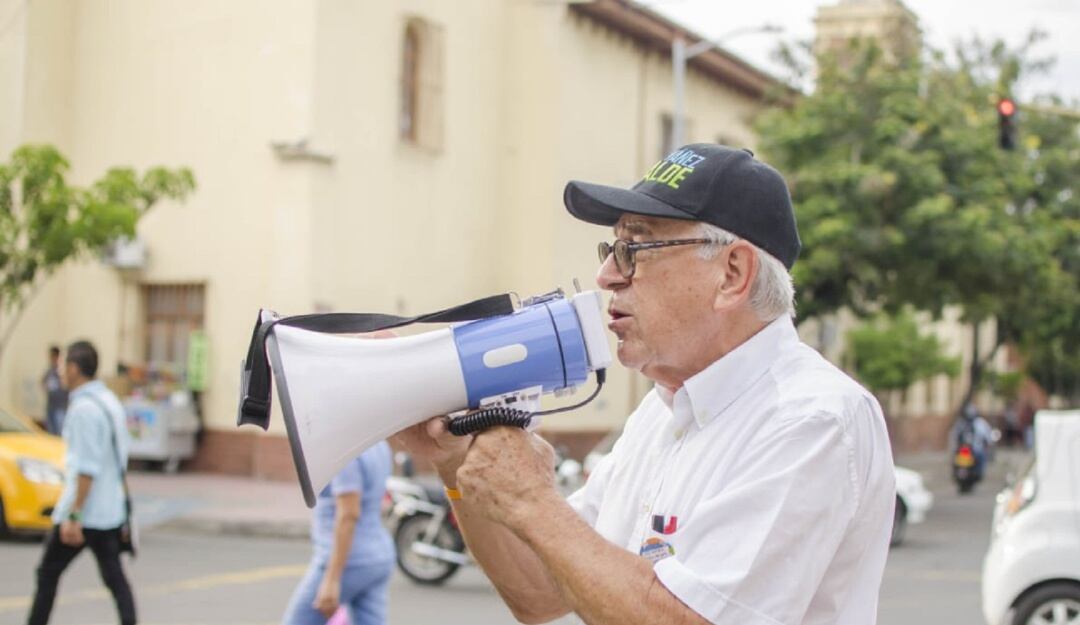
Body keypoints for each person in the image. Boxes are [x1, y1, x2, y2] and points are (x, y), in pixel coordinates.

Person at [394, 144, 896, 624]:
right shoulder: (663, 410)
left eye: (634, 247)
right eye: (613, 248)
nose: (606, 274)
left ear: (732, 274)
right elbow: (540, 593)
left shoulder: (814, 420)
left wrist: (532, 501)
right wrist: (454, 459)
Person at [27, 340, 136, 625]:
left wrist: (74, 514)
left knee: (47, 574)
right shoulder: (109, 401)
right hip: (109, 512)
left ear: (74, 369)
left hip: (84, 512)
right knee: (115, 579)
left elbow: (86, 469)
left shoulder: (83, 409)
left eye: (63, 365)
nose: (60, 371)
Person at [282, 441, 395, 625]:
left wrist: (332, 580)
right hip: (378, 555)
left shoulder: (345, 452)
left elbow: (349, 514)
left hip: (351, 560)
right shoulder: (378, 443)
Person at [41, 345, 68, 435]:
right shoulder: (49, 371)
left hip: (60, 407)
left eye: (53, 356)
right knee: (51, 433)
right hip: (50, 406)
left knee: (60, 432)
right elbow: (43, 382)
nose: (51, 358)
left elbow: (66, 385)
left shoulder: (62, 370)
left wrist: (61, 374)